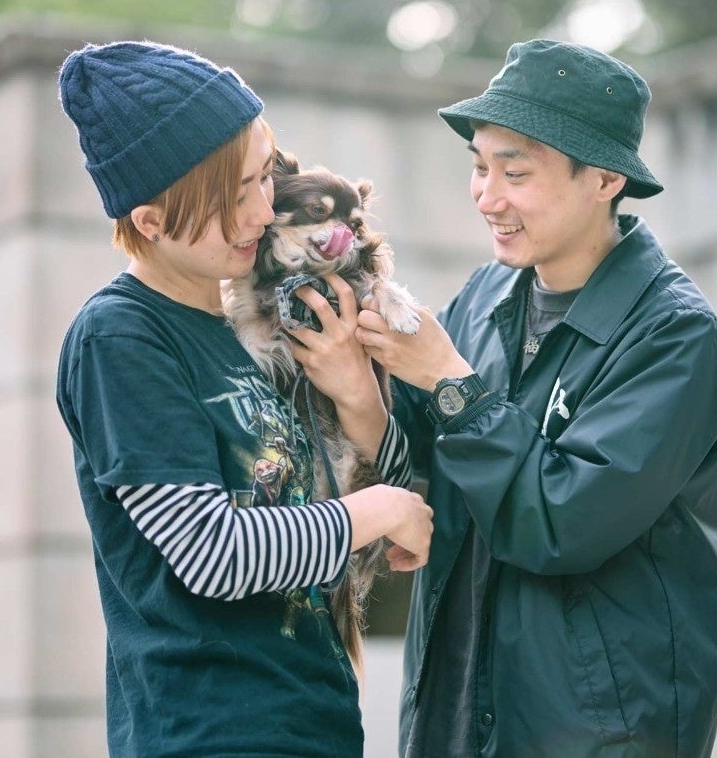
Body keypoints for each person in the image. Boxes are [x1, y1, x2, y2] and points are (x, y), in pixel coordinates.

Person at [353, 39, 717, 757]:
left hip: (596, 737)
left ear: (605, 180)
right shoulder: (485, 295)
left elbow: (561, 520)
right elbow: (411, 451)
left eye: (516, 173)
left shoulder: (675, 337)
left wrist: (451, 383)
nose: (487, 196)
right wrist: (346, 365)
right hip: (455, 717)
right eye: (479, 167)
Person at [54, 40, 433, 758]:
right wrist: (382, 510)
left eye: (263, 178)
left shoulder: (255, 323)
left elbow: (352, 507)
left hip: (314, 721)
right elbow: (212, 553)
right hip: (207, 731)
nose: (264, 211)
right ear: (151, 221)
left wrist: (358, 394)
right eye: (233, 199)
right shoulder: (122, 337)